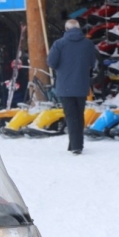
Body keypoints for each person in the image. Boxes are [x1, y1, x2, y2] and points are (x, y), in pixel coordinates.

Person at [46, 19, 98, 155]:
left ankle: (76, 145)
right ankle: (76, 143)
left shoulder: (59, 44)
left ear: (66, 29)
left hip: (65, 85)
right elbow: (93, 62)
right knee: (78, 114)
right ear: (79, 28)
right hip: (81, 84)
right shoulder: (88, 44)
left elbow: (51, 62)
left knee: (70, 115)